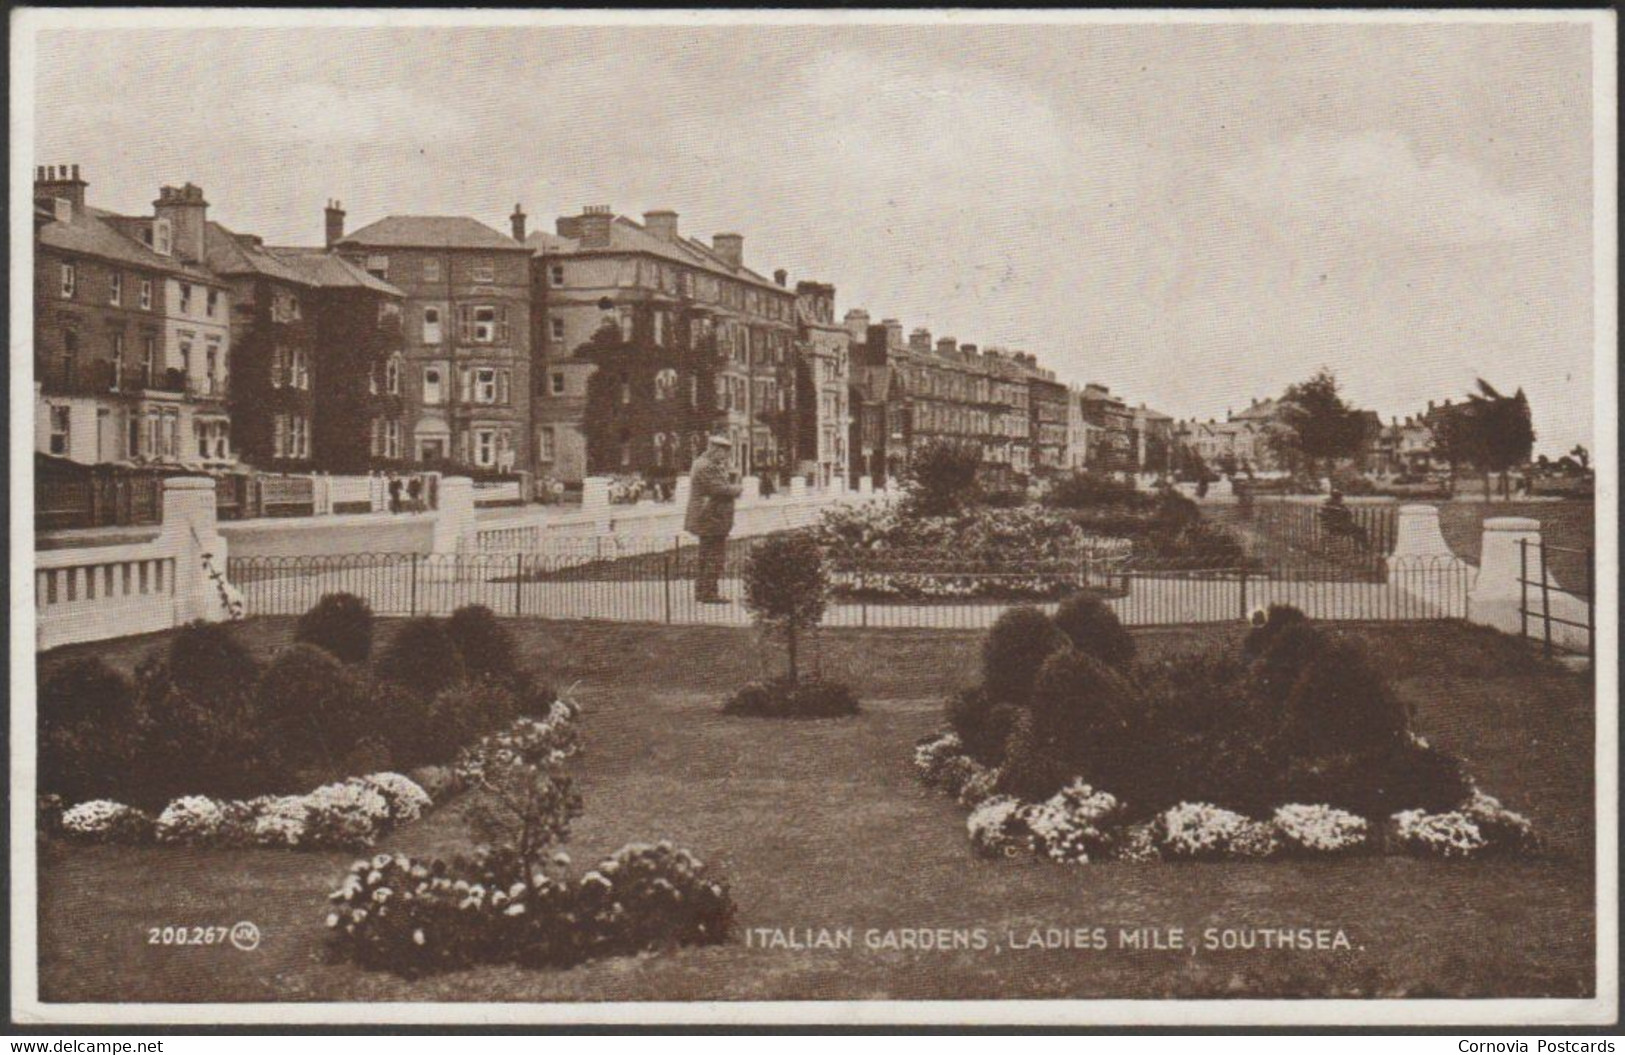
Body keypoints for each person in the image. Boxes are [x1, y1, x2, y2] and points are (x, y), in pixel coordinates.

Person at [685, 433, 742, 603]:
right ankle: (709, 593)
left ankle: (702, 591)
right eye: (724, 453)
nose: (726, 457)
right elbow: (718, 489)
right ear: (715, 450)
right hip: (710, 518)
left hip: (710, 517)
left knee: (706, 555)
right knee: (714, 556)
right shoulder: (705, 466)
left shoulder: (706, 464)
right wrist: (737, 489)